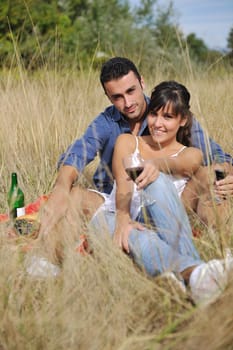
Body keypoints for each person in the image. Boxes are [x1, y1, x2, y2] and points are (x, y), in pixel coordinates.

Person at [38, 56, 233, 237]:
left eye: (131, 91)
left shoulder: (166, 112)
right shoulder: (107, 121)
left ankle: (222, 247)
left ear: (142, 83)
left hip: (165, 198)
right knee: (72, 198)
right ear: (108, 97)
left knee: (214, 182)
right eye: (117, 97)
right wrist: (62, 187)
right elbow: (78, 153)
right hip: (112, 196)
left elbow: (215, 155)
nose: (128, 103)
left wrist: (227, 175)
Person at [87, 79, 233, 306]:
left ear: (183, 120)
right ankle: (197, 274)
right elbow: (124, 186)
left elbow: (185, 164)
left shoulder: (192, 154)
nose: (157, 123)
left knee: (156, 184)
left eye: (168, 117)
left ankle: (193, 275)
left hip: (158, 225)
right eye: (154, 114)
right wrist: (123, 220)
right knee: (134, 233)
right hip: (115, 215)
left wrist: (156, 164)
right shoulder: (127, 142)